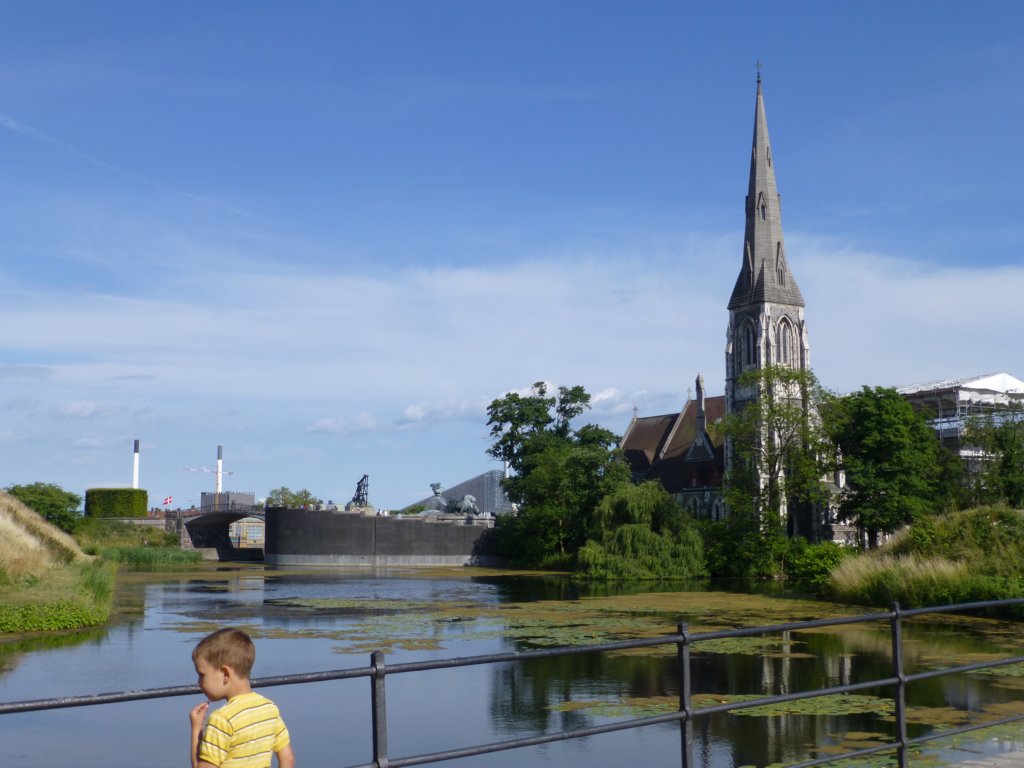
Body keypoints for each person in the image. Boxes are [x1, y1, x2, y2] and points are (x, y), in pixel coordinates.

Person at [189, 628, 295, 768]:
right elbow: (288, 760)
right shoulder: (269, 708)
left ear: (225, 674)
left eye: (202, 674)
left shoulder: (221, 719)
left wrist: (197, 729)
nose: (198, 682)